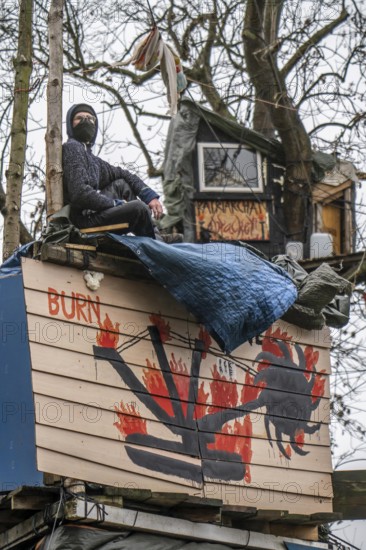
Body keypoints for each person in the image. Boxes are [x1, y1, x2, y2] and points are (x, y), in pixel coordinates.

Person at [62, 103, 163, 238]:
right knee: (139, 209)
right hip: (82, 221)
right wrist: (114, 204)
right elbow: (80, 194)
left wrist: (149, 196)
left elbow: (124, 174)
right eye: (79, 118)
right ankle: (157, 243)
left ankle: (156, 235)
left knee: (121, 184)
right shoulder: (72, 148)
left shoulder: (93, 161)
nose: (86, 121)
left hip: (93, 213)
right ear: (70, 124)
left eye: (90, 118)